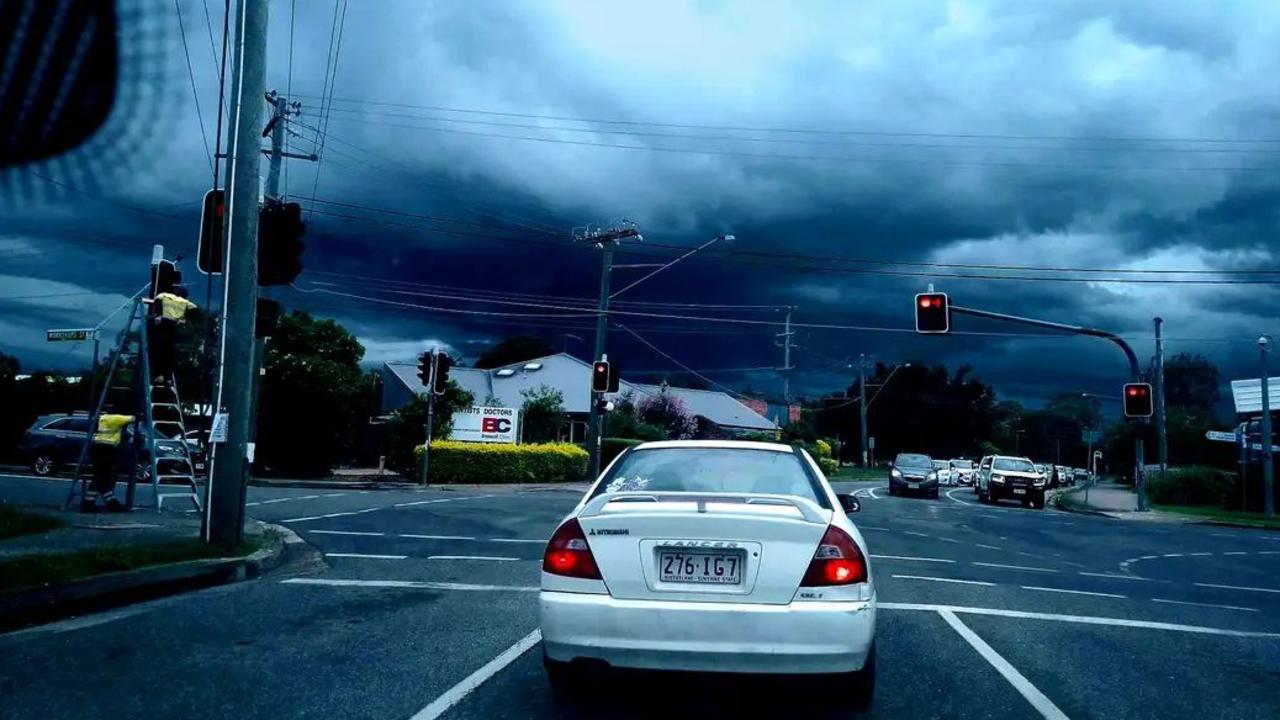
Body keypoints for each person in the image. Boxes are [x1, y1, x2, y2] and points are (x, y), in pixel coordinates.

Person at [86, 413, 135, 512]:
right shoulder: (115, 418)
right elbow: (132, 418)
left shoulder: (103, 417)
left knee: (100, 478)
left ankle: (100, 503)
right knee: (103, 479)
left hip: (98, 449)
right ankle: (110, 504)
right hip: (107, 450)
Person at [148, 285, 197, 383]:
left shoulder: (165, 295)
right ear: (186, 296)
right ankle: (167, 377)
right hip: (174, 327)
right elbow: (194, 310)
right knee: (169, 352)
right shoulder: (187, 303)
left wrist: (158, 314)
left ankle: (159, 375)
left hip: (163, 324)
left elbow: (157, 299)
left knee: (157, 350)